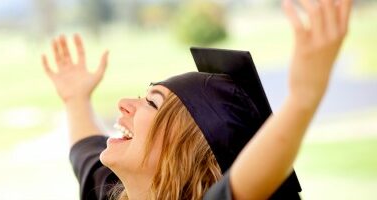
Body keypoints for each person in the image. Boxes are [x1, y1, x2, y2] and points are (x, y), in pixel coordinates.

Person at [41, 0, 352, 199]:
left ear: (189, 154)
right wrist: (76, 99)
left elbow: (246, 183)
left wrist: (303, 98)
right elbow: (86, 148)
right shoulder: (110, 191)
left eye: (151, 103)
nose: (124, 104)